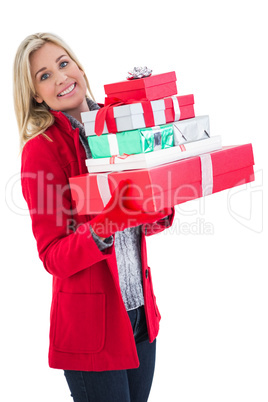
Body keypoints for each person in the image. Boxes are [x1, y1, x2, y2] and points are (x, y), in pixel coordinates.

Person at [13, 32, 174, 402]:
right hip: (91, 329)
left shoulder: (120, 127)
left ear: (79, 67)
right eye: (44, 76)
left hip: (140, 315)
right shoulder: (42, 150)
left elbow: (141, 218)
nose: (60, 78)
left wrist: (162, 199)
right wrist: (106, 224)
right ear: (37, 95)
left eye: (63, 64)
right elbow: (53, 255)